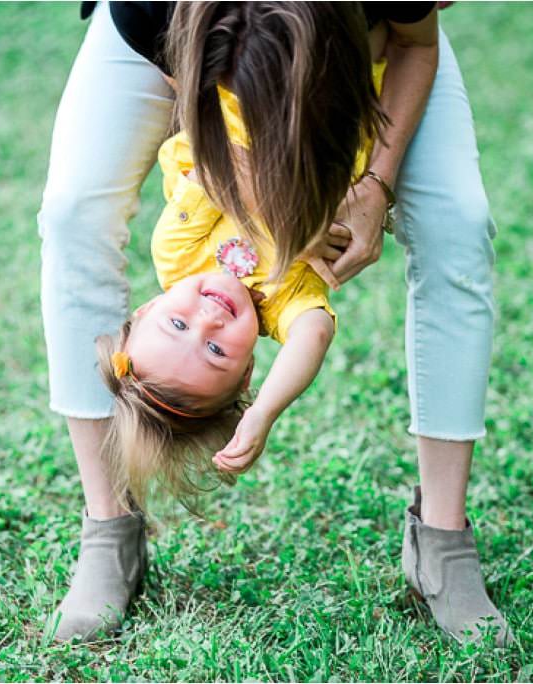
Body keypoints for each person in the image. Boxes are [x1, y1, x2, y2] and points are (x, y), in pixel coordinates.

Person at [38, 1, 510, 646]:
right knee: (73, 214)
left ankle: (443, 541)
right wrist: (285, 211)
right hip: (171, 40)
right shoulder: (170, 22)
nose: (204, 317)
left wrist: (373, 182)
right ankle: (108, 527)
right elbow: (203, 153)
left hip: (368, 52)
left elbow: (416, 46)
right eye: (205, 344)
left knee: (457, 221)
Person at [95, 53, 389, 515]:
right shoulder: (282, 303)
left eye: (176, 323)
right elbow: (315, 333)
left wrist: (292, 218)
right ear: (249, 370)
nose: (208, 321)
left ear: (147, 309)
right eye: (216, 351)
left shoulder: (176, 253)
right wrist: (263, 412)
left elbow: (215, 171)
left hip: (251, 85)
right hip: (343, 90)